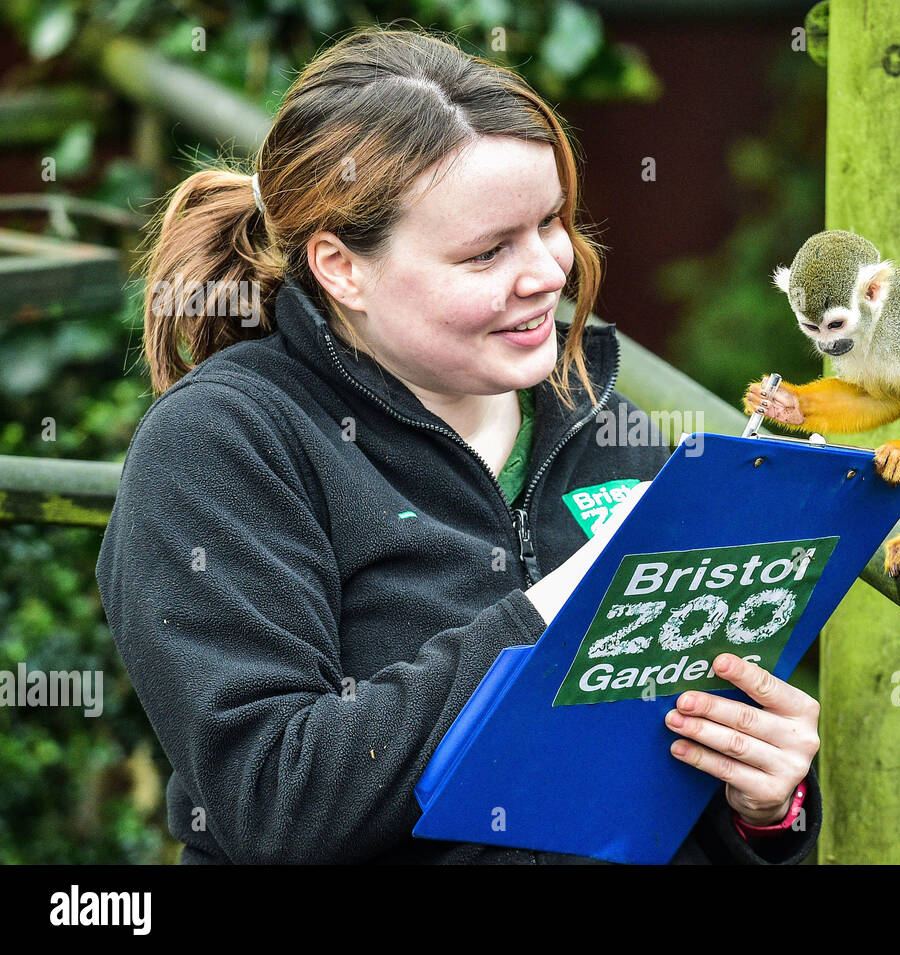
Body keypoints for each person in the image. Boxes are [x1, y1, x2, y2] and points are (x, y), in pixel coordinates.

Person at [95, 26, 822, 864]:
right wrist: (557, 608)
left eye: (551, 221)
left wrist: (766, 808)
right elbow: (274, 799)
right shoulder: (224, 445)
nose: (549, 271)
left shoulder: (606, 422)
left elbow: (672, 792)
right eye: (487, 252)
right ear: (341, 268)